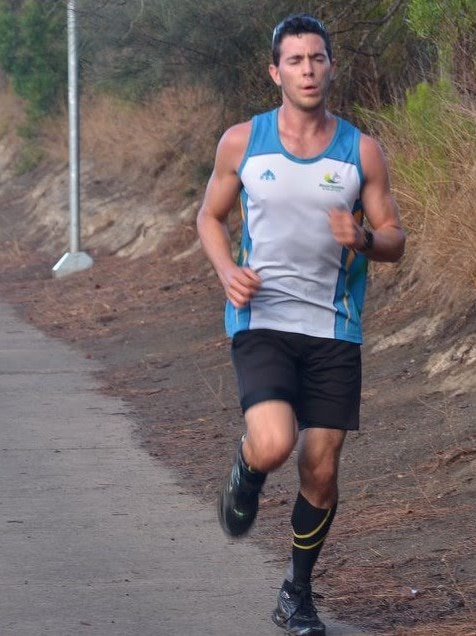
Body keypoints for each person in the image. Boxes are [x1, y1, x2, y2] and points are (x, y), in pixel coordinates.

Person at [196, 12, 405, 636]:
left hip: (333, 326)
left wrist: (363, 237)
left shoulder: (360, 150)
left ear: (330, 66)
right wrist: (224, 271)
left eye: (317, 58)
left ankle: (296, 592)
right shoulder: (243, 141)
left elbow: (394, 238)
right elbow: (209, 217)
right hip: (261, 316)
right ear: (275, 71)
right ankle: (247, 468)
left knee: (321, 466)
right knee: (274, 443)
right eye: (296, 61)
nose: (308, 70)